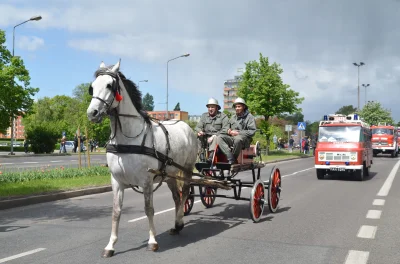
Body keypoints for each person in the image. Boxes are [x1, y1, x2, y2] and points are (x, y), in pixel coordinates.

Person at [217, 97, 256, 164]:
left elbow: (252, 131)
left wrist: (238, 133)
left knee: (238, 139)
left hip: (244, 140)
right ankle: (230, 157)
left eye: (239, 106)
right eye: (236, 107)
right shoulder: (232, 117)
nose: (237, 108)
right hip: (232, 139)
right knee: (220, 137)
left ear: (243, 107)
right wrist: (229, 131)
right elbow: (226, 127)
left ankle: (233, 159)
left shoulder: (250, 117)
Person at [195, 98, 228, 162]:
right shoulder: (204, 116)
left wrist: (214, 136)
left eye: (212, 107)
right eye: (209, 107)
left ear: (217, 108)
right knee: (198, 137)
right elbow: (197, 127)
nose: (210, 109)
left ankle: (211, 157)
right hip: (206, 137)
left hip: (218, 139)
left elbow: (225, 129)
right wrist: (200, 131)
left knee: (215, 138)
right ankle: (202, 157)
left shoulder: (223, 116)